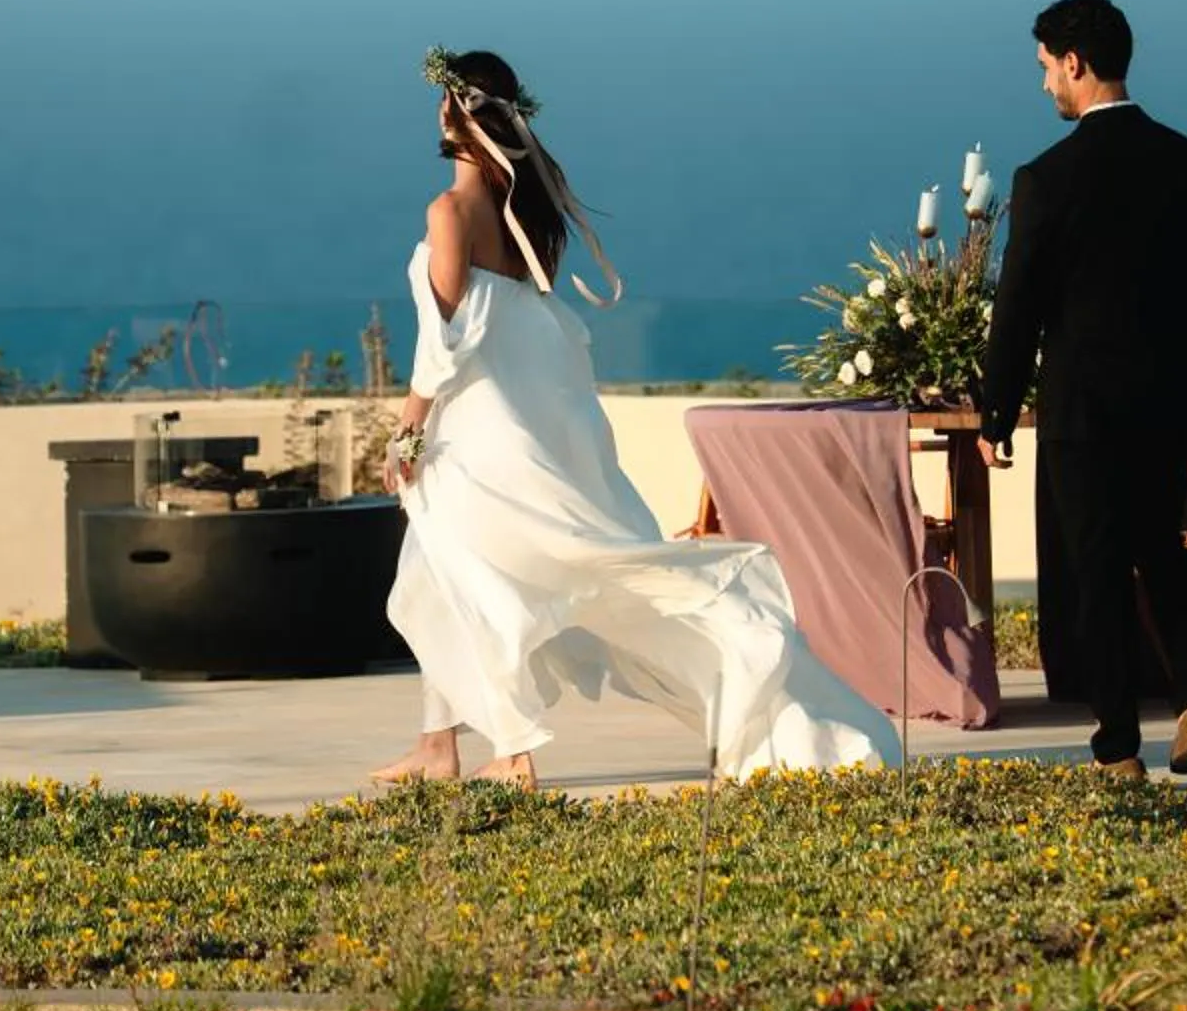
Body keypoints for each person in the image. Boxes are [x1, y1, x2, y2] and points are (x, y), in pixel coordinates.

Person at [372, 46, 898, 788]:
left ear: (452, 111)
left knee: (473, 582)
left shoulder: (450, 212)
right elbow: (519, 319)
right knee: (436, 574)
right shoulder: (526, 203)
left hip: (476, 430)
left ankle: (514, 752)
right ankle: (437, 745)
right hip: (524, 418)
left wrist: (407, 429)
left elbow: (446, 341)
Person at [976, 0, 1187, 779]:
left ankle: (1118, 747)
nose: (1045, 84)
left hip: (1081, 408)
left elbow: (1017, 307)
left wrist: (995, 413)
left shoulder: (1045, 179)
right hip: (1166, 402)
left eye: (1047, 68)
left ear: (1076, 64)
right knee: (1163, 553)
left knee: (1093, 571)